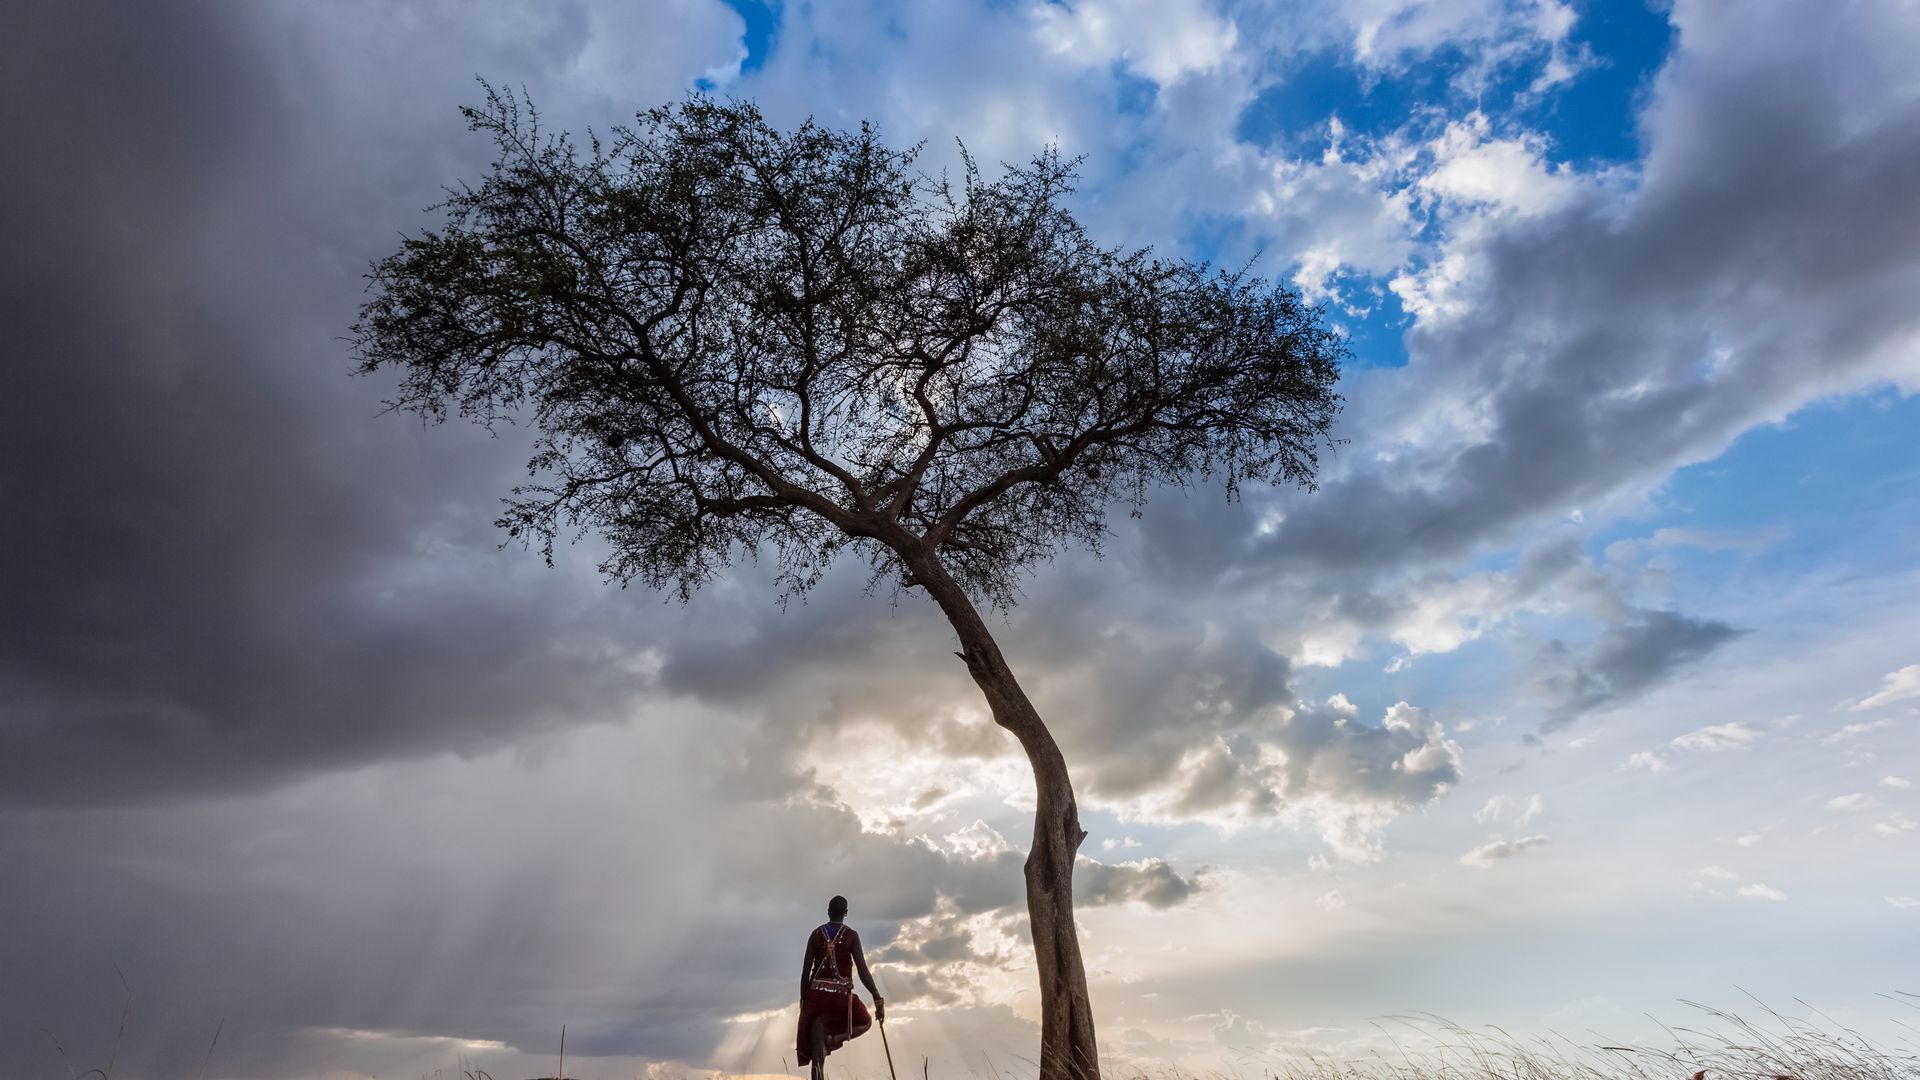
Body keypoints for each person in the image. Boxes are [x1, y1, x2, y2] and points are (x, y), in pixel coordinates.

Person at [795, 895, 883, 1080]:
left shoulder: (816, 934)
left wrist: (804, 1001)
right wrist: (877, 997)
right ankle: (834, 1039)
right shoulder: (851, 935)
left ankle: (823, 1043)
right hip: (841, 999)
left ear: (828, 911)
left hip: (816, 998)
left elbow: (805, 973)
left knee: (816, 1057)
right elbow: (863, 970)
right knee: (866, 1021)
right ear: (846, 913)